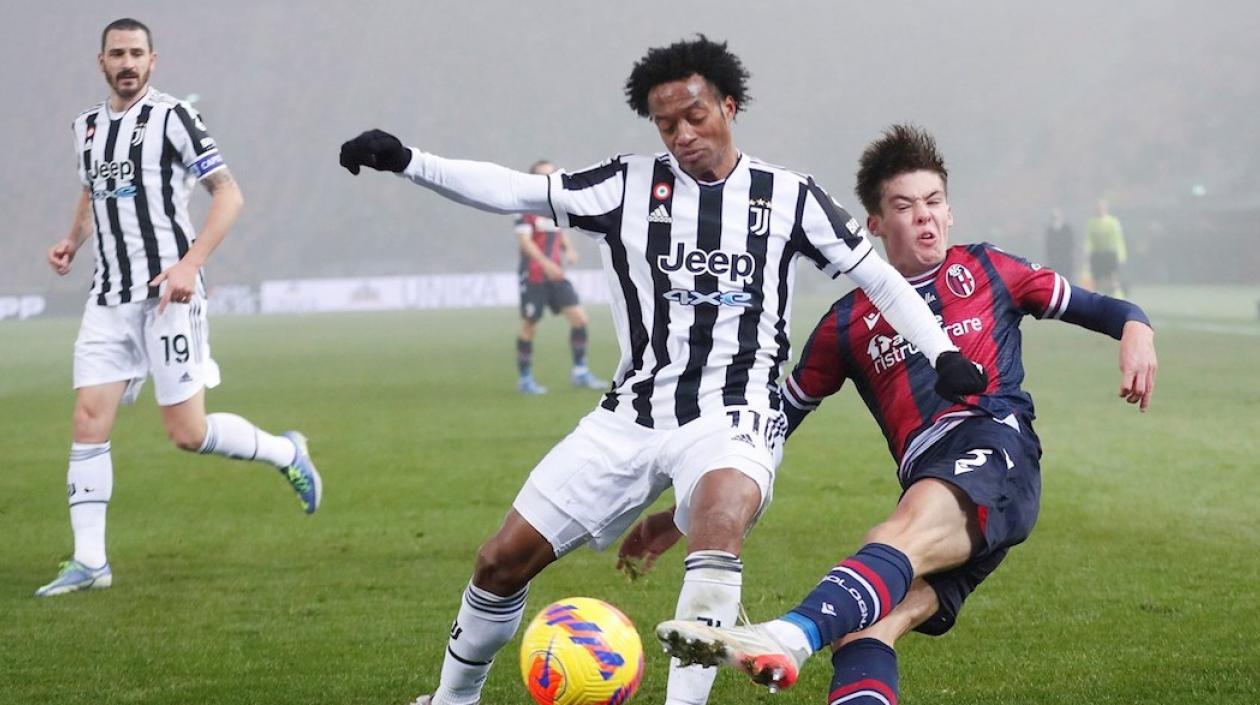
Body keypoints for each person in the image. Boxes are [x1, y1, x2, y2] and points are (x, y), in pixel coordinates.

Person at [339, 38, 985, 705]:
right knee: (500, 561)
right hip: (631, 416)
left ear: (729, 106)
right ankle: (452, 697)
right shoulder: (626, 185)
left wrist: (941, 353)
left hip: (735, 413)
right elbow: (517, 191)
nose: (682, 134)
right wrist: (409, 161)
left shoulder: (788, 198)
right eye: (665, 122)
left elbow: (878, 277)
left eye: (695, 115)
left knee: (722, 511)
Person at [649, 124, 1158, 701]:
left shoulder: (990, 270)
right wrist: (684, 513)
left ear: (950, 210)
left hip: (994, 449)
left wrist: (1136, 327)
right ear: (874, 224)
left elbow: (1101, 306)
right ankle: (813, 639)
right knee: (864, 629)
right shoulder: (847, 321)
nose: (925, 217)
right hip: (936, 478)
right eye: (905, 206)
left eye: (934, 202)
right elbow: (771, 428)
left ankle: (789, 635)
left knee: (894, 536)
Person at [38, 18, 322, 597]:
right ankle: (90, 561)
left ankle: (285, 451)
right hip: (107, 297)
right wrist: (73, 238)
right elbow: (94, 190)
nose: (127, 62)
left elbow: (228, 193)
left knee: (187, 433)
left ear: (152, 60)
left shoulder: (172, 118)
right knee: (88, 421)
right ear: (101, 62)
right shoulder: (86, 128)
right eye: (117, 53)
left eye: (136, 53)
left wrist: (190, 264)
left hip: (169, 297)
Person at [514, 159, 608, 394]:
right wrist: (546, 264)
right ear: (533, 178)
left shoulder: (555, 205)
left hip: (556, 275)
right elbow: (525, 243)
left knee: (580, 319)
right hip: (535, 276)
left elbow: (559, 233)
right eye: (543, 174)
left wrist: (569, 249)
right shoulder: (525, 208)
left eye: (551, 174)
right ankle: (525, 379)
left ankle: (580, 372)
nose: (548, 178)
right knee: (529, 326)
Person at [1084, 198, 1127, 297]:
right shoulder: (1091, 222)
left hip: (1110, 254)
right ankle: (1100, 303)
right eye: (1098, 208)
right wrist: (1086, 253)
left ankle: (1119, 300)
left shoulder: (1113, 222)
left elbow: (1118, 240)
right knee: (1097, 281)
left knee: (1113, 279)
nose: (1100, 210)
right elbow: (1088, 240)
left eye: (1102, 207)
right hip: (1097, 255)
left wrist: (1121, 255)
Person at [1044, 207, 1074, 279]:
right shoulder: (1050, 230)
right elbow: (1048, 246)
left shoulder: (1067, 229)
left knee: (1067, 277)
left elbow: (1071, 244)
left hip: (1066, 259)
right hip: (1054, 259)